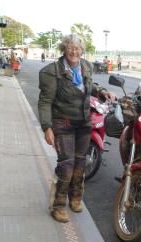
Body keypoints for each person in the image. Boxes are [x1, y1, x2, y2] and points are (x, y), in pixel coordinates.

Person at [38, 34, 117, 223]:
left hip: (84, 122)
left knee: (81, 162)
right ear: (64, 49)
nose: (74, 51)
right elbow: (45, 101)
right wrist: (46, 127)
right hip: (63, 123)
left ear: (82, 51)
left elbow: (89, 85)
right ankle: (57, 205)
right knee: (66, 165)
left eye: (78, 48)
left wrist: (102, 91)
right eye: (70, 47)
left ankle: (75, 197)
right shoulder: (52, 71)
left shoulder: (86, 66)